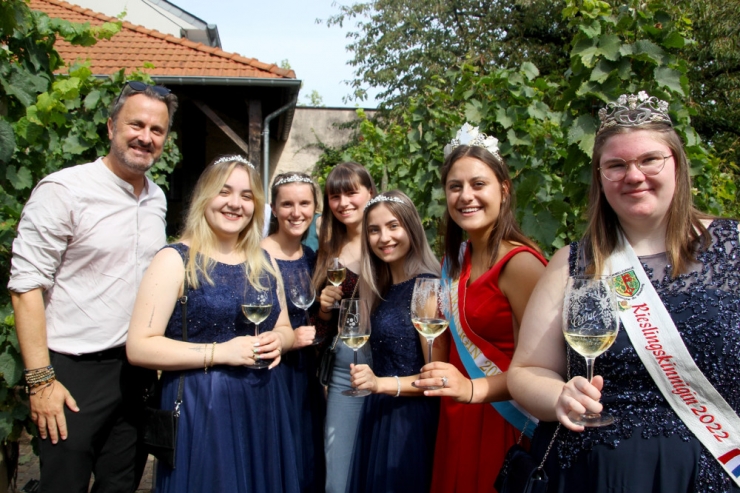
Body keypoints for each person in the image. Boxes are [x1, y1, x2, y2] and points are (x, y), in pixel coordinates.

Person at [508, 92, 740, 492]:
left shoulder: (734, 246)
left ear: (677, 165)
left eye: (650, 160)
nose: (634, 175)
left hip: (712, 470)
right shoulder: (570, 263)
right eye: (616, 165)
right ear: (600, 177)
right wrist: (559, 395)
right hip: (593, 475)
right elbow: (526, 372)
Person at [8, 81, 177, 492]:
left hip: (135, 372)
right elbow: (25, 286)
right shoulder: (64, 190)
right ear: (110, 127)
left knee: (120, 485)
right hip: (72, 372)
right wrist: (41, 381)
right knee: (61, 485)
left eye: (157, 130)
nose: (145, 137)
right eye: (135, 124)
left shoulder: (156, 198)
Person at [126, 155, 299, 493]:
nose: (235, 204)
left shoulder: (263, 260)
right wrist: (220, 352)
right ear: (205, 197)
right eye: (224, 192)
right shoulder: (174, 260)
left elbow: (285, 328)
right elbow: (140, 346)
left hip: (263, 402)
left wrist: (280, 341)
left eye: (246, 196)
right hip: (203, 405)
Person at [415, 124, 547, 492]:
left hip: (505, 421)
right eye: (455, 187)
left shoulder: (521, 265)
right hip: (458, 417)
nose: (465, 196)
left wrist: (472, 388)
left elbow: (543, 369)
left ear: (503, 190)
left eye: (478, 184)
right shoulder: (456, 262)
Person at [346, 190, 442, 492]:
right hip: (380, 413)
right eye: (374, 230)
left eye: (393, 226)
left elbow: (437, 378)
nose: (383, 237)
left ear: (411, 228)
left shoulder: (427, 288)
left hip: (410, 423)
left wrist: (380, 384)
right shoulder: (381, 288)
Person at [312, 161, 377, 493]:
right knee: (339, 470)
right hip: (345, 368)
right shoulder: (328, 252)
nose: (343, 203)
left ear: (370, 193)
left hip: (389, 365)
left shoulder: (387, 240)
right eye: (334, 196)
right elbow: (321, 332)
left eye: (352, 192)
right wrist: (324, 310)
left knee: (381, 465)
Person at [261, 172, 325, 492]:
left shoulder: (312, 258)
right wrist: (288, 341)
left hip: (306, 374)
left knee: (306, 454)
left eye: (304, 203)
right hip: (272, 374)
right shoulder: (257, 255)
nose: (296, 212)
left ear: (315, 208)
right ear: (273, 208)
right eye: (287, 204)